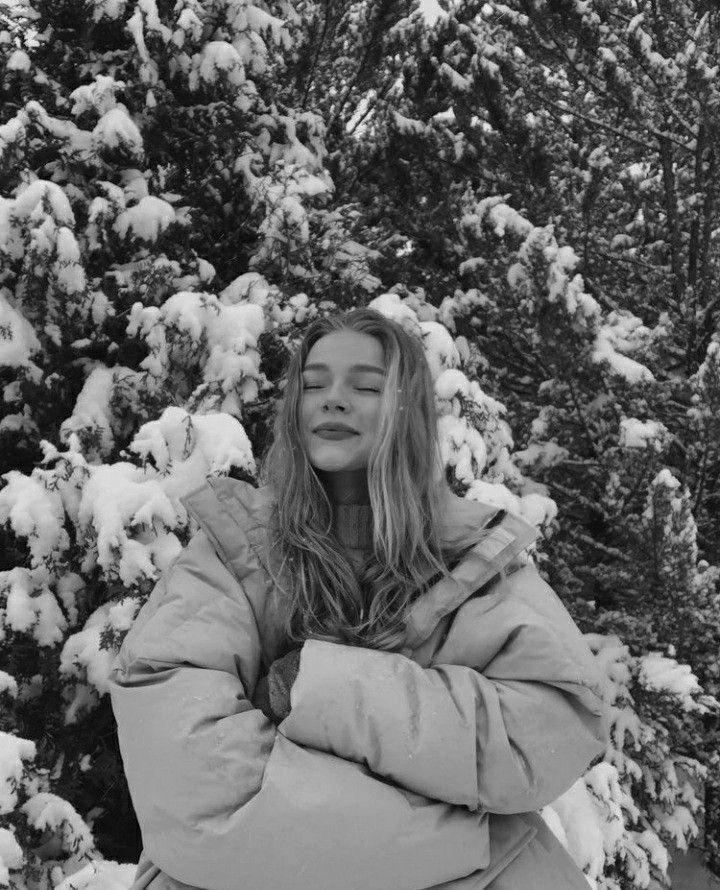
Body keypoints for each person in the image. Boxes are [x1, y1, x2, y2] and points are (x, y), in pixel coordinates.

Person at [108, 307, 608, 890]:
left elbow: (548, 732)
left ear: (409, 412)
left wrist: (320, 689)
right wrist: (465, 831)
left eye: (365, 386)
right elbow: (198, 788)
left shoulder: (474, 560)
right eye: (313, 384)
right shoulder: (233, 552)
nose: (333, 400)